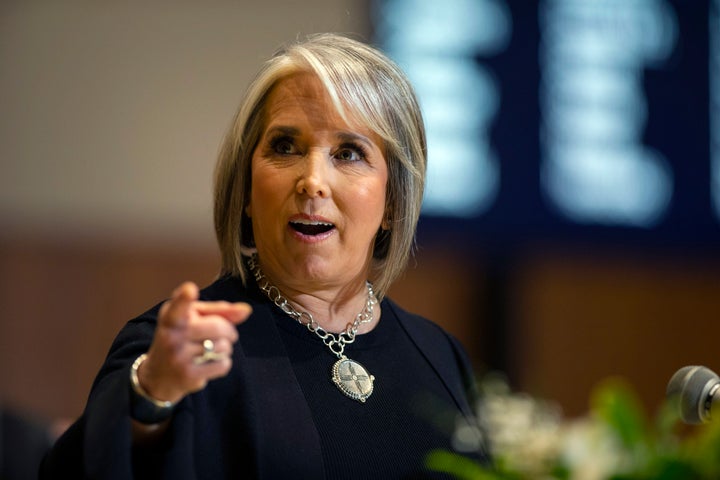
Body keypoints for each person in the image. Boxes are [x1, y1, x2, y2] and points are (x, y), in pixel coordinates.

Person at [40, 33, 489, 479]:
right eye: (285, 147)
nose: (313, 181)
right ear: (248, 192)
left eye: (348, 153)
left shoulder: (440, 355)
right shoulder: (180, 349)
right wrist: (151, 394)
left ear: (392, 202)